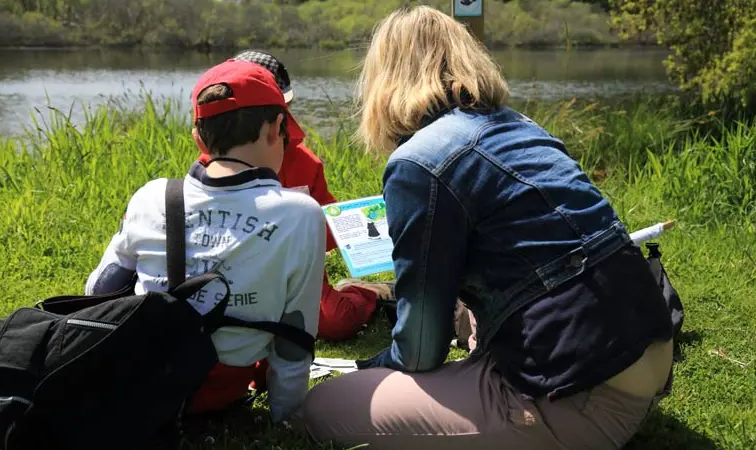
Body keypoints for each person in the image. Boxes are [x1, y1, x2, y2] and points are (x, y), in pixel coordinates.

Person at [300, 6, 676, 450]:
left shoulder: (418, 160)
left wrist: (379, 366)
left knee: (323, 407)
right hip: (645, 359)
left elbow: (420, 350)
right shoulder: (521, 126)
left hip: (580, 398)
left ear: (384, 80)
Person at [85, 59, 326, 422]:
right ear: (277, 128)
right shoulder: (302, 214)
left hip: (143, 380)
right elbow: (295, 337)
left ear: (198, 137)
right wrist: (286, 418)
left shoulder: (152, 197)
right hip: (223, 388)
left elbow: (98, 290)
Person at [197, 49, 394, 342]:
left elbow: (326, 231)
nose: (282, 124)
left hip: (298, 276)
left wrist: (363, 229)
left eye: (284, 111)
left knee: (332, 322)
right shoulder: (211, 169)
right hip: (237, 277)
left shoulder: (304, 162)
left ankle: (371, 292)